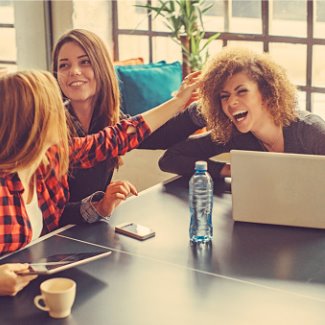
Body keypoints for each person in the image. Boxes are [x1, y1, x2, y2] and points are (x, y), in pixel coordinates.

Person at [0, 69, 200, 255]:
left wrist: (178, 101)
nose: (61, 113)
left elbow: (118, 137)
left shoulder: (49, 157)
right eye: (52, 106)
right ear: (31, 121)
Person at [52, 29, 205, 225]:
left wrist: (206, 109)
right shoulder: (51, 128)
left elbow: (160, 135)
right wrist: (100, 207)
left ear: (101, 68)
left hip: (87, 233)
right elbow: (54, 215)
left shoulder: (107, 119)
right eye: (64, 65)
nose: (74, 71)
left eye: (85, 61)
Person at [159, 46, 325, 179]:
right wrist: (229, 170)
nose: (231, 102)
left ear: (266, 93)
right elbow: (170, 159)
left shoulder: (311, 132)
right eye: (224, 96)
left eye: (242, 91)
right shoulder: (236, 136)